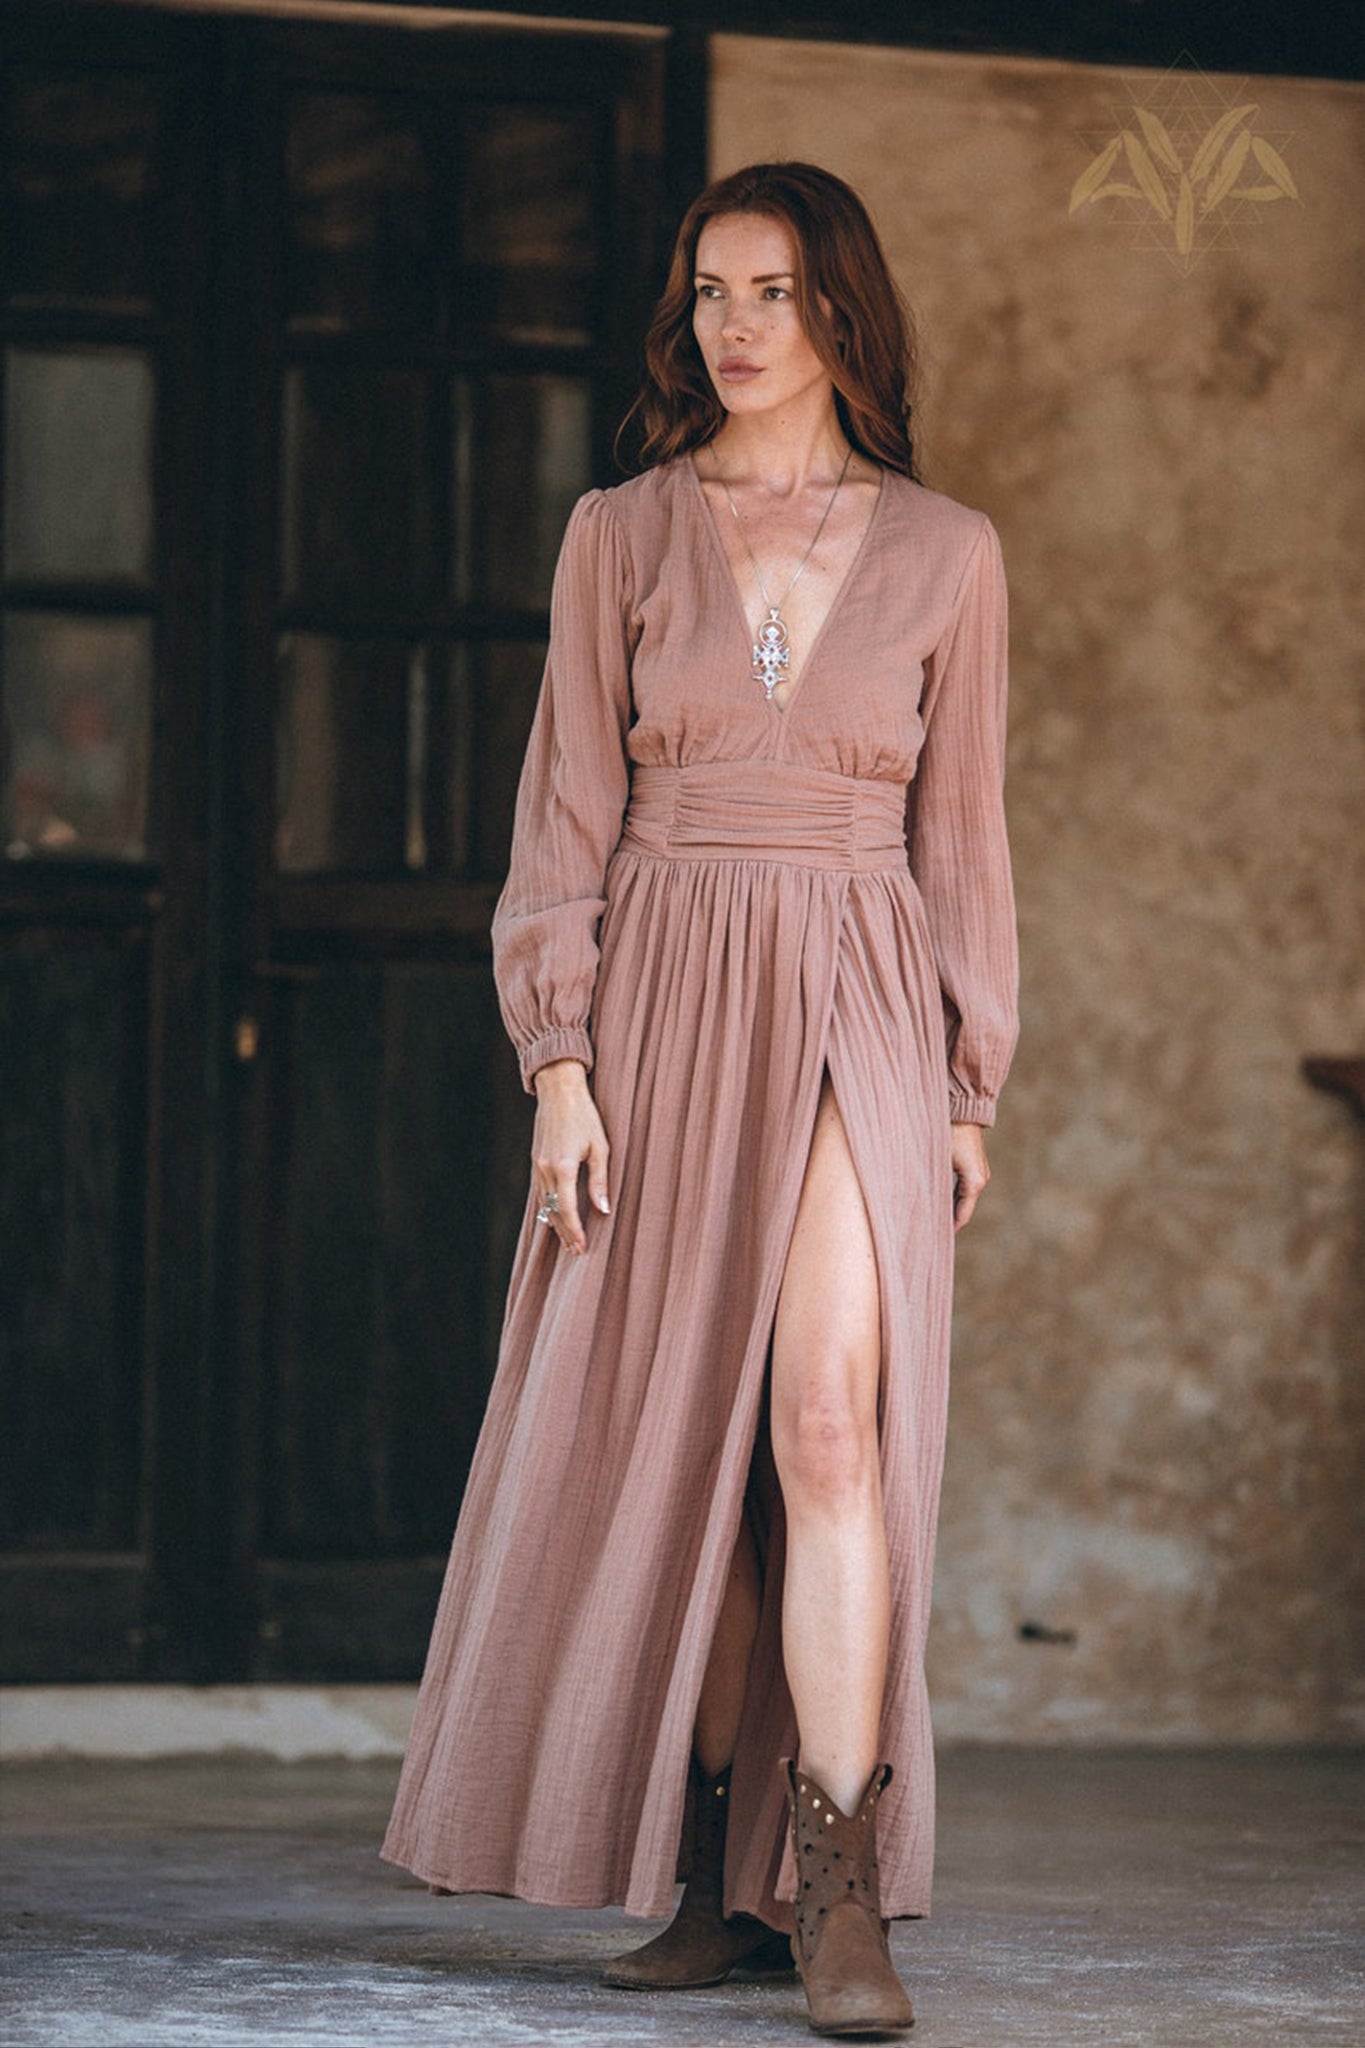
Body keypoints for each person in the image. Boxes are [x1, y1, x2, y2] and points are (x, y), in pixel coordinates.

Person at [382, 159, 1019, 2039]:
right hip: (654, 998)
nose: (735, 327)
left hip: (856, 1003)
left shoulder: (945, 551)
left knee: (824, 1423)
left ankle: (836, 1898)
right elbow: (565, 812)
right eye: (711, 292)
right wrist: (554, 1063)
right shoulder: (618, 533)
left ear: (842, 314)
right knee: (678, 1452)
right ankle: (706, 1880)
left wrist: (970, 1077)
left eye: (775, 292)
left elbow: (960, 833)